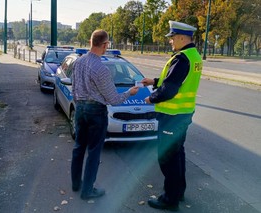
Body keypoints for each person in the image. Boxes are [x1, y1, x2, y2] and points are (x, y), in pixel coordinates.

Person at [141, 20, 202, 211]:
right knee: (177, 155)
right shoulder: (193, 56)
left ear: (182, 37)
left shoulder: (181, 58)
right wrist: (155, 80)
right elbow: (176, 80)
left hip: (172, 116)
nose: (170, 41)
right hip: (183, 114)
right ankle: (178, 192)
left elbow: (170, 89)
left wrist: (152, 98)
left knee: (166, 158)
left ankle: (170, 199)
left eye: (172, 38)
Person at [71, 29, 139, 200]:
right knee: (94, 151)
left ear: (90, 41)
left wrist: (79, 103)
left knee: (79, 147)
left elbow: (74, 87)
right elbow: (113, 99)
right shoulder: (101, 69)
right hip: (96, 112)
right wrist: (129, 92)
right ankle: (88, 190)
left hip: (80, 108)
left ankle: (76, 183)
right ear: (105, 45)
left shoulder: (78, 62)